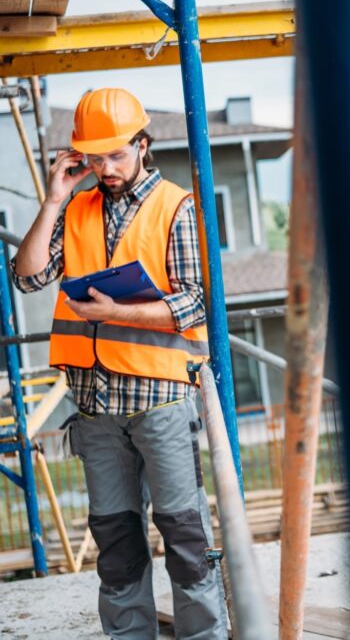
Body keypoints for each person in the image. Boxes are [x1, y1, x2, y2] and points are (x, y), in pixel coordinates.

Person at [12, 88, 227, 639]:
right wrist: (55, 197)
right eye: (95, 157)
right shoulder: (77, 208)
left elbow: (197, 300)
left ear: (142, 144)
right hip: (95, 410)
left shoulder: (175, 206)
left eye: (117, 155)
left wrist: (118, 313)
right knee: (116, 545)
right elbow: (29, 275)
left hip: (160, 405)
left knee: (185, 538)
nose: (106, 168)